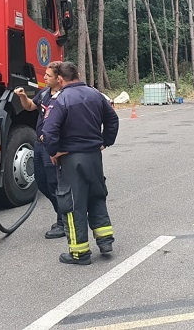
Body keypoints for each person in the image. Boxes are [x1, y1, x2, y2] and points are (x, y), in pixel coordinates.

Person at [42, 62, 120, 265]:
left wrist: (53, 152)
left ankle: (79, 253)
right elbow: (112, 120)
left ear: (60, 79)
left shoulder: (61, 99)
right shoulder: (96, 94)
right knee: (96, 196)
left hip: (71, 159)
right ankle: (105, 241)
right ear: (78, 74)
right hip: (94, 157)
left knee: (73, 204)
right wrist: (105, 141)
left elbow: (49, 131)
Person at [13, 61, 65, 239]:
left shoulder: (64, 97)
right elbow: (29, 106)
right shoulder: (44, 93)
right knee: (42, 183)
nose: (44, 78)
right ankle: (62, 215)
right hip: (39, 145)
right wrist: (22, 96)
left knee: (55, 184)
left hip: (53, 147)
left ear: (59, 78)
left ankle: (64, 221)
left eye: (48, 76)